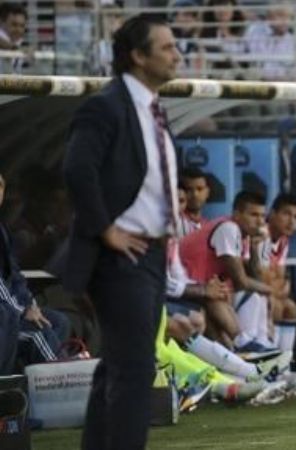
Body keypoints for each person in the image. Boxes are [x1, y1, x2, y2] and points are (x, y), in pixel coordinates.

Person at [62, 14, 182, 450]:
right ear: (137, 55)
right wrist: (106, 230)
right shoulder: (107, 105)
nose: (177, 54)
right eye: (167, 47)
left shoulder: (153, 107)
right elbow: (77, 168)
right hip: (120, 254)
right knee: (134, 368)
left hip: (151, 253)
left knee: (116, 365)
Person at [179, 190, 274, 352]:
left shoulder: (243, 236)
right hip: (181, 286)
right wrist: (271, 291)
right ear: (237, 214)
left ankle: (249, 351)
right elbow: (241, 281)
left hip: (202, 290)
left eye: (262, 216)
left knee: (223, 297)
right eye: (253, 215)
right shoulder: (228, 228)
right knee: (223, 295)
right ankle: (245, 343)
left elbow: (254, 276)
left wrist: (254, 247)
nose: (260, 222)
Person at [0, 174, 70, 366]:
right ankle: (65, 379)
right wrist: (23, 310)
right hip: (5, 316)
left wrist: (31, 304)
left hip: (10, 312)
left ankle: (34, 386)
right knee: (38, 334)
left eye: (1, 188)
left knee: (58, 321)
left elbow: (15, 275)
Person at [257, 193, 296, 353]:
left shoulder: (283, 240)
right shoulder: (262, 235)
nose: (292, 221)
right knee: (275, 306)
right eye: (286, 214)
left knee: (291, 307)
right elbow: (263, 278)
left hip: (267, 291)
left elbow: (280, 278)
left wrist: (277, 284)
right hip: (248, 290)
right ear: (272, 213)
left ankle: (285, 363)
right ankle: (271, 363)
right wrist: (276, 285)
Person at [177, 167, 210, 238]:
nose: (195, 194)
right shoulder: (174, 222)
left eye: (199, 189)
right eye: (189, 189)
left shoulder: (209, 226)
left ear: (207, 192)